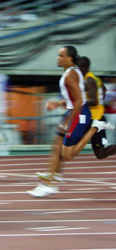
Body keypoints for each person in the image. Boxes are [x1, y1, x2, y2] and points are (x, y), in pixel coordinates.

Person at [27, 46, 115, 198]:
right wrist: (58, 103)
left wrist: (70, 117)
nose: (57, 58)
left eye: (61, 55)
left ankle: (95, 128)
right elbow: (75, 97)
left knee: (68, 154)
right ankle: (51, 180)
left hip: (83, 114)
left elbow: (80, 100)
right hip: (76, 112)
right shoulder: (72, 73)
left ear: (70, 59)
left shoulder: (78, 76)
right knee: (56, 145)